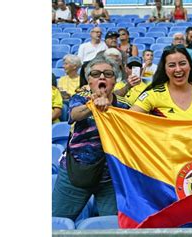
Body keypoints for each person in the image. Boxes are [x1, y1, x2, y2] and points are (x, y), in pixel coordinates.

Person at [52, 57, 131, 221]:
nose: (102, 77)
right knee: (55, 222)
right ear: (89, 81)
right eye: (96, 74)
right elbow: (75, 114)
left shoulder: (125, 106)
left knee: (113, 226)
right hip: (75, 173)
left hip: (111, 178)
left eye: (108, 74)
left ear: (115, 81)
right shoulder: (80, 97)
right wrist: (93, 105)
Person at [131, 45, 192, 119]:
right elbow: (127, 120)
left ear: (190, 66)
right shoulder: (153, 94)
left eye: (182, 63)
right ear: (165, 69)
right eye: (172, 65)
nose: (178, 69)